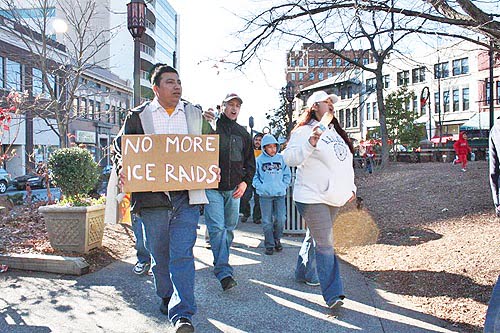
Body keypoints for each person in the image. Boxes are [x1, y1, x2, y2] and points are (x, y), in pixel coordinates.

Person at [112, 64, 208, 333]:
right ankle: (166, 295)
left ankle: (183, 315)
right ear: (155, 88)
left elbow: (209, 146)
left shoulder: (193, 113)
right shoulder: (138, 116)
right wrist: (123, 168)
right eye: (170, 82)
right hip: (152, 200)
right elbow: (121, 148)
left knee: (183, 254)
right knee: (160, 256)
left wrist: (213, 166)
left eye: (179, 82)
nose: (177, 86)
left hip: (186, 198)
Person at [282, 90, 356, 311]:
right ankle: (334, 294)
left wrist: (351, 187)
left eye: (332, 103)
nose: (331, 105)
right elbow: (289, 158)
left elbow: (345, 164)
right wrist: (310, 142)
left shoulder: (336, 133)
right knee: (325, 242)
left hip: (334, 197)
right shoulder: (304, 130)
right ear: (314, 107)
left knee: (314, 237)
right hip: (312, 196)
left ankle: (301, 271)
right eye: (326, 102)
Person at [203, 93, 255, 291]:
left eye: (237, 106)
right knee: (216, 228)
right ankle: (223, 271)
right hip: (212, 188)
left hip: (234, 189)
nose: (234, 108)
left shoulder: (244, 134)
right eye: (230, 104)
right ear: (222, 106)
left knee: (229, 228)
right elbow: (194, 149)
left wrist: (244, 183)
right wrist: (201, 122)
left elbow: (250, 162)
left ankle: (221, 259)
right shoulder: (210, 127)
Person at [253, 134, 291, 255]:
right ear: (264, 148)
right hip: (265, 195)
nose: (272, 149)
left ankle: (277, 239)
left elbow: (287, 174)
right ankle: (269, 244)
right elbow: (254, 177)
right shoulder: (258, 160)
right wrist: (261, 187)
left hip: (280, 194)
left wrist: (283, 185)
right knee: (266, 221)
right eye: (269, 147)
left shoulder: (281, 159)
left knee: (281, 219)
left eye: (274, 146)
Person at [240, 132, 264, 224]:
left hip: (260, 178)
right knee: (245, 197)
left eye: (260, 140)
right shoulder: (248, 151)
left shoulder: (265, 152)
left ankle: (257, 217)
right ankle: (246, 213)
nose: (257, 142)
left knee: (258, 200)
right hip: (249, 177)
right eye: (256, 140)